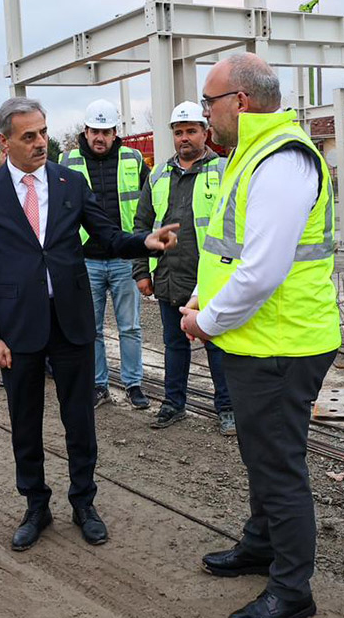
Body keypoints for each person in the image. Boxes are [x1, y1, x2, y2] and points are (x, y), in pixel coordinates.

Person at [0, 97, 179, 552]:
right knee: (25, 421)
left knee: (79, 419)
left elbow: (107, 235)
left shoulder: (69, 181)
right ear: (5, 141)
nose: (41, 142)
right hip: (17, 327)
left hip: (71, 320)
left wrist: (145, 240)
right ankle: (36, 506)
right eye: (29, 136)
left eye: (43, 132)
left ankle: (84, 502)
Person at [181, 53, 340, 618]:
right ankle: (260, 544)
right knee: (260, 454)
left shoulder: (283, 162)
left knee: (278, 465)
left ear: (240, 103)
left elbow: (263, 270)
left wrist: (207, 321)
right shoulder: (249, 157)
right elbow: (225, 251)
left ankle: (292, 588)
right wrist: (201, 298)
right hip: (257, 338)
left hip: (284, 341)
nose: (205, 115)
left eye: (209, 103)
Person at [132, 101, 236, 435]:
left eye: (191, 131)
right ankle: (173, 404)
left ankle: (228, 408)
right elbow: (142, 225)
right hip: (170, 277)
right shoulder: (159, 174)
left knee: (216, 345)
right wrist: (141, 272)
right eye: (179, 132)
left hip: (211, 279)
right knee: (174, 345)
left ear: (205, 132)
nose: (184, 138)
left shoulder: (222, 170)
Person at [59, 99, 150, 410]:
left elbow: (147, 206)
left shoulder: (134, 159)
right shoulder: (66, 162)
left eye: (106, 131)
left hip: (124, 259)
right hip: (86, 259)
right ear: (85, 131)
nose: (100, 137)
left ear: (115, 132)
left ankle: (133, 384)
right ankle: (99, 385)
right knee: (92, 328)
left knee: (130, 327)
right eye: (94, 131)